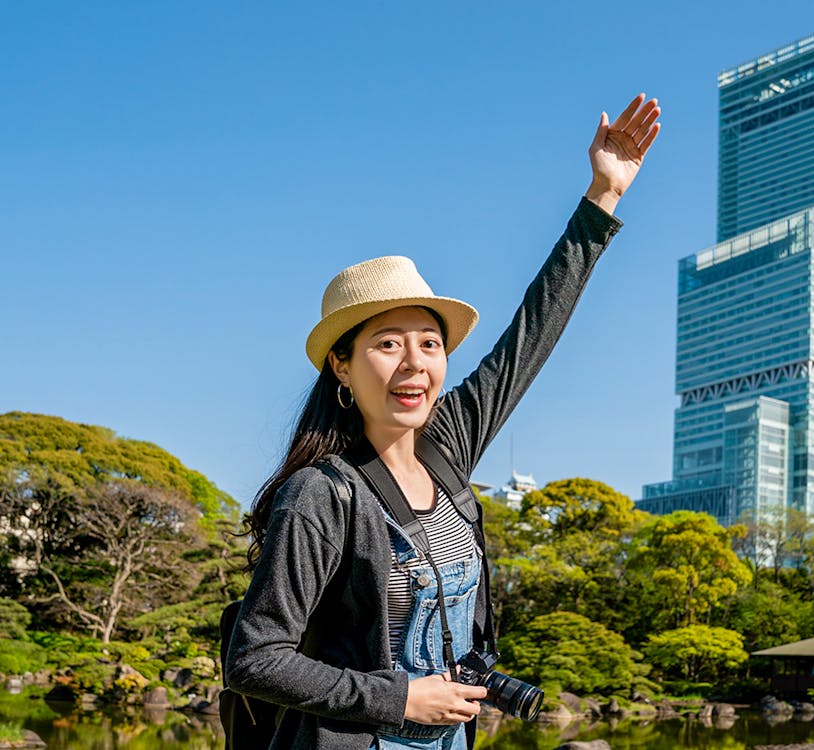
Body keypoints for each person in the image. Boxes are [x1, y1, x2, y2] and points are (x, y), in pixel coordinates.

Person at [224, 93, 661, 749]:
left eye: (429, 344)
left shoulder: (447, 446)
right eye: (387, 344)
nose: (414, 362)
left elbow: (530, 335)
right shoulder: (321, 495)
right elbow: (254, 658)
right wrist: (400, 697)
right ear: (342, 366)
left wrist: (602, 196)